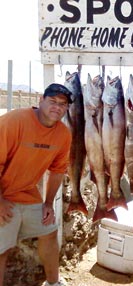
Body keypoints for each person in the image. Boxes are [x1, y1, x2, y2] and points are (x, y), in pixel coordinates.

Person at [0, 83, 73, 286]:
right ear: (41, 100)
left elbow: (58, 170)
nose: (57, 107)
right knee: (2, 250)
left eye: (62, 104)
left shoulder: (63, 134)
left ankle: (53, 283)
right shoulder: (14, 121)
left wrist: (48, 203)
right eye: (53, 101)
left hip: (28, 195)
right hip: (3, 196)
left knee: (49, 232)